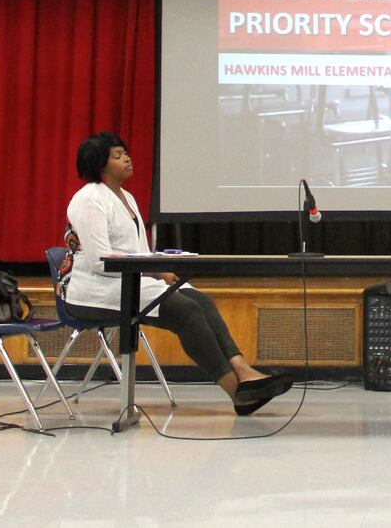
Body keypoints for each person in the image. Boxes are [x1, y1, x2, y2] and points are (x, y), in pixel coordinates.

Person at [60, 132, 293, 415]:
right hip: (93, 290)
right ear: (99, 164)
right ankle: (239, 394)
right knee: (186, 312)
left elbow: (138, 251)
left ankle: (244, 371)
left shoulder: (128, 198)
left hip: (131, 281)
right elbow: (101, 261)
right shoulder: (88, 199)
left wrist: (160, 268)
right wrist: (153, 273)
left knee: (201, 301)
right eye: (118, 155)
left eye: (125, 152)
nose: (127, 158)